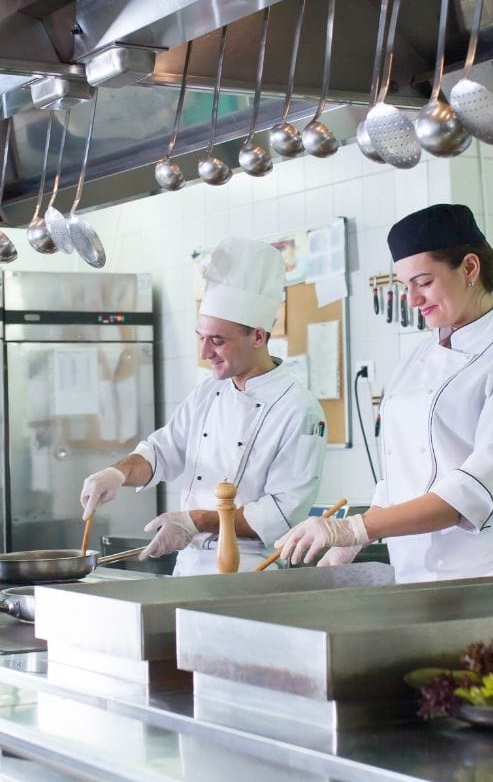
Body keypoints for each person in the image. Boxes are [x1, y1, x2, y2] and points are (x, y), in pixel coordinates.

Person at [275, 203, 493, 584]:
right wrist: (354, 536)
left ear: (470, 268)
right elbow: (399, 472)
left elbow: (471, 492)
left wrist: (360, 528)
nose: (412, 299)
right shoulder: (418, 355)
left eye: (423, 282)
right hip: (416, 572)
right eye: (404, 285)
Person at [80, 237, 326, 575]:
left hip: (249, 572)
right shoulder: (208, 391)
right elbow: (163, 451)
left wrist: (195, 522)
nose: (204, 353)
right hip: (189, 566)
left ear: (258, 336)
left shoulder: (298, 409)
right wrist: (117, 472)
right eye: (201, 337)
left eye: (218, 340)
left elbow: (283, 512)